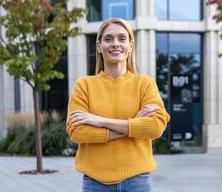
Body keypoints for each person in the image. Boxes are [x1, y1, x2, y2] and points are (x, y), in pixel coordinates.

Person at [66, 18, 170, 192]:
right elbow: (77, 132)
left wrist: (99, 120)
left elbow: (156, 127)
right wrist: (134, 125)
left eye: (122, 39)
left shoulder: (144, 84)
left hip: (138, 182)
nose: (115, 44)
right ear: (99, 46)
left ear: (130, 45)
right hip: (95, 184)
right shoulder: (84, 85)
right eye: (108, 39)